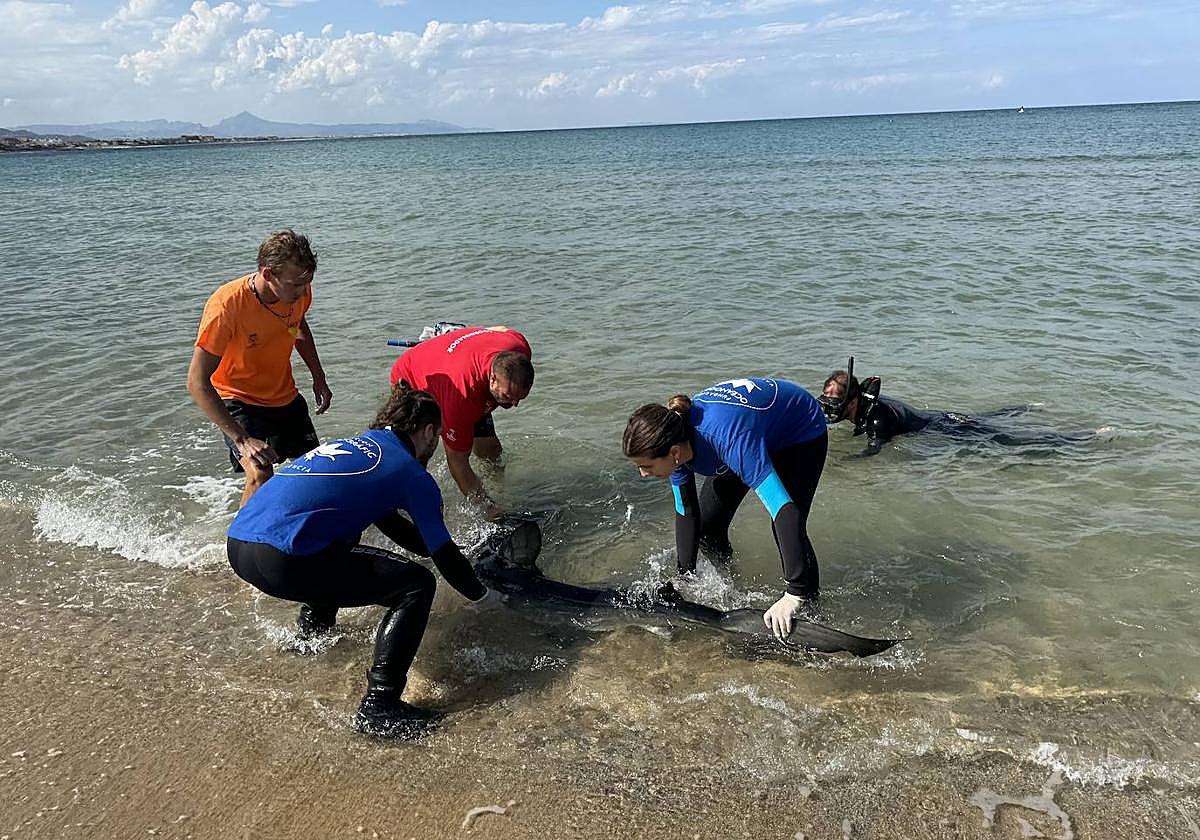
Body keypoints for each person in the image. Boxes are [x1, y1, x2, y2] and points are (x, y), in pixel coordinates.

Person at [226, 384, 498, 739]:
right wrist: (485, 598)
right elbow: (443, 556)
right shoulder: (411, 473)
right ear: (429, 432)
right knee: (416, 585)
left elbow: (393, 524)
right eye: (436, 437)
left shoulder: (358, 445)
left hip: (240, 545)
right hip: (285, 560)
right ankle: (380, 706)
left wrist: (443, 549)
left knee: (336, 534)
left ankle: (312, 636)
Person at [622, 377, 828, 642]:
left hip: (799, 433)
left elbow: (784, 509)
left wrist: (794, 593)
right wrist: (686, 576)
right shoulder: (677, 440)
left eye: (646, 466)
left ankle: (806, 604)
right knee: (707, 530)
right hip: (749, 432)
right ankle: (730, 587)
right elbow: (687, 511)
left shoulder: (727, 441)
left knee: (785, 524)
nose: (642, 474)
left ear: (673, 452)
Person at [187, 230, 332, 507]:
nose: (303, 292)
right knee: (260, 471)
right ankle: (240, 546)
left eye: (307, 283)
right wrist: (242, 440)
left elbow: (298, 326)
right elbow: (197, 383)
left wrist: (319, 377)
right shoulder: (227, 306)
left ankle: (303, 534)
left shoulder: (297, 291)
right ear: (268, 274)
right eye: (295, 285)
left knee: (313, 471)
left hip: (283, 396)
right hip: (238, 399)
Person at [389, 325, 534, 518]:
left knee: (492, 451)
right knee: (419, 456)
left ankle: (500, 490)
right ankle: (405, 508)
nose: (514, 404)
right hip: (412, 379)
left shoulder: (518, 347)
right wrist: (488, 509)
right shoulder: (462, 399)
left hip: (460, 368)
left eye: (520, 398)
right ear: (492, 379)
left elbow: (499, 329)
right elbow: (458, 463)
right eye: (508, 396)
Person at [818, 359, 1091, 455]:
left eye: (834, 401)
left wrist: (849, 462)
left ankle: (1074, 440)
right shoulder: (864, 408)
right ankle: (1024, 408)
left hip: (943, 428)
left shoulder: (877, 420)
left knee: (1008, 441)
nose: (830, 407)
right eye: (826, 399)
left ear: (853, 400)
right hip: (938, 417)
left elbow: (875, 450)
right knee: (985, 422)